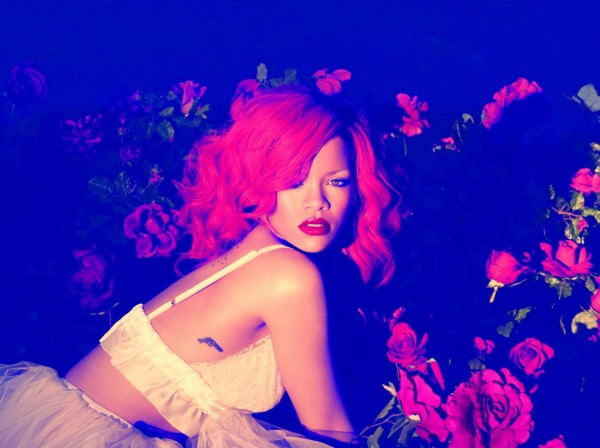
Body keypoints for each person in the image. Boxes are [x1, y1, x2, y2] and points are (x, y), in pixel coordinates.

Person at [0, 84, 401, 447]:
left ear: (357, 189)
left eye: (336, 181)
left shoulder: (257, 251)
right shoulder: (288, 276)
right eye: (293, 180)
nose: (317, 202)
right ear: (261, 180)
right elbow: (328, 426)